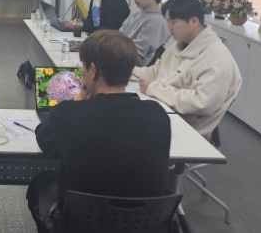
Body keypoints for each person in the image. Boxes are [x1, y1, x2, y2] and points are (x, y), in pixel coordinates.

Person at [27, 31, 170, 233]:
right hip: (144, 224)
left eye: (83, 67)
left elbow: (44, 140)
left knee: (41, 182)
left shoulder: (69, 115)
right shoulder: (158, 115)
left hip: (82, 224)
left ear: (92, 70)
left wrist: (75, 103)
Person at [134, 0, 241, 139]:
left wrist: (154, 88)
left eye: (173, 22)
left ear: (194, 21)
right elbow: (154, 72)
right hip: (162, 112)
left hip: (184, 130)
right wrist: (123, 72)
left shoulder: (216, 59)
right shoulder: (180, 46)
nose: (168, 27)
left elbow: (201, 103)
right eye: (167, 21)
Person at [119, 0, 170, 66]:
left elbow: (135, 53)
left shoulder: (157, 22)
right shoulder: (135, 13)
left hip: (133, 67)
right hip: (119, 57)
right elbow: (118, 36)